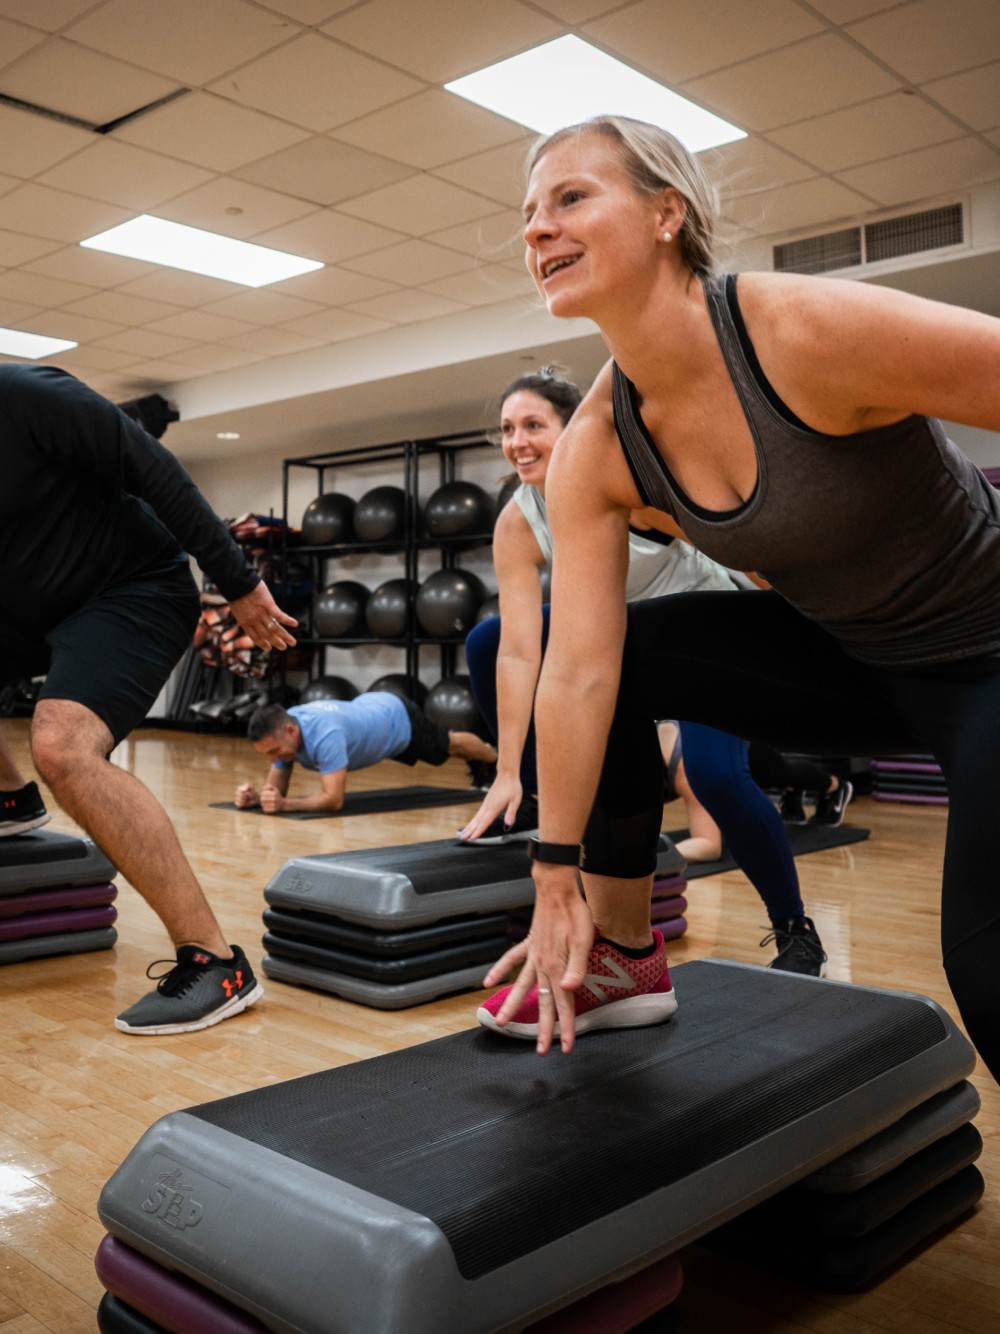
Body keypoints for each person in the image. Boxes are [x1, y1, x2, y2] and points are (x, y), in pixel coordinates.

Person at [479, 115, 1000, 1083]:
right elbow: (582, 669)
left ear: (666, 212)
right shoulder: (595, 444)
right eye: (527, 215)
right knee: (612, 648)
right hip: (853, 661)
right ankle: (626, 954)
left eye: (570, 198)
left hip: (988, 651)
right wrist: (553, 869)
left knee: (990, 967)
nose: (536, 231)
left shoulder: (800, 331)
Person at [461, 369, 826, 977]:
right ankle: (553, 819)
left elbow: (735, 545)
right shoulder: (519, 520)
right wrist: (507, 768)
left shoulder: (629, 488)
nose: (517, 441)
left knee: (715, 778)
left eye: (533, 426)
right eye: (506, 429)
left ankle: (795, 928)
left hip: (705, 631)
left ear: (573, 428)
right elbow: (521, 652)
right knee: (489, 638)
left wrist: (818, 603)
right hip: (618, 641)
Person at [1, 363, 297, 1035]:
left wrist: (240, 585)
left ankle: (217, 963)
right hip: (28, 611)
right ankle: (10, 799)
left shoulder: (28, 397)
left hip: (131, 589)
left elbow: (155, 472)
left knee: (63, 746)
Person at [238, 697, 498, 814]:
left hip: (396, 718)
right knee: (449, 747)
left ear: (291, 730)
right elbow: (276, 792)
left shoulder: (326, 735)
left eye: (273, 752)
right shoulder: (286, 730)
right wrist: (259, 798)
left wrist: (284, 805)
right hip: (371, 711)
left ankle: (495, 759)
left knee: (449, 745)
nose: (273, 759)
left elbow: (333, 801)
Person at [656, 721, 854, 863]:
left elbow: (709, 846)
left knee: (782, 773)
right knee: (782, 777)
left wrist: (656, 858)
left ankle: (835, 787)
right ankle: (793, 792)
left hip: (744, 751)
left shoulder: (685, 768)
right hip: (716, 743)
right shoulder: (648, 747)